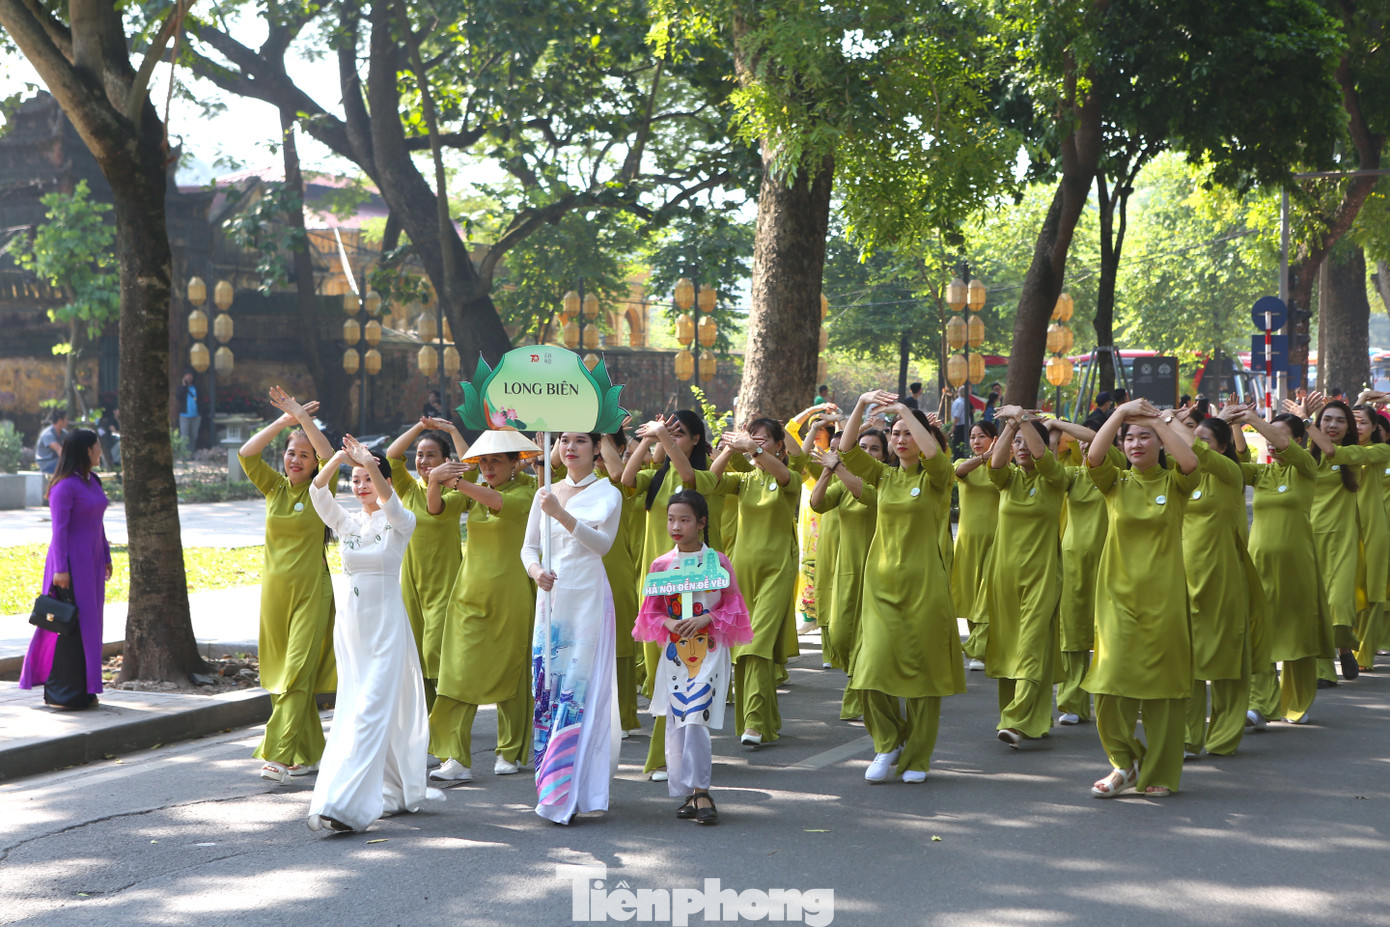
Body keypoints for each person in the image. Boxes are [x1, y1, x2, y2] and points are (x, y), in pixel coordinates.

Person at [306, 436, 443, 833]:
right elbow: (318, 492)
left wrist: (371, 464)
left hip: (386, 630)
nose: (361, 485)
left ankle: (347, 806)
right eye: (356, 479)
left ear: (384, 482)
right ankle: (394, 791)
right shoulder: (348, 524)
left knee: (370, 713)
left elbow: (394, 506)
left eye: (369, 478)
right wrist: (337, 458)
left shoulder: (401, 523)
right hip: (352, 632)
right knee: (356, 711)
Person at [840, 390, 964, 784]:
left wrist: (907, 414)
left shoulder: (937, 479)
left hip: (925, 588)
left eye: (907, 433)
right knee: (869, 671)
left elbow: (935, 457)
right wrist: (861, 405)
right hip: (880, 588)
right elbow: (845, 451)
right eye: (895, 433)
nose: (900, 438)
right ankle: (888, 741)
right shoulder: (884, 475)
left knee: (923, 679)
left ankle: (917, 757)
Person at [1084, 398, 1199, 799]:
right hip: (1116, 596)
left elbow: (1189, 462)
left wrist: (1158, 421)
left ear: (1159, 444)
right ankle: (1124, 762)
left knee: (1162, 690)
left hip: (1164, 598)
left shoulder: (1175, 484)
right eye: (1129, 438)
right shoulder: (1115, 481)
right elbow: (1095, 455)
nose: (1135, 444)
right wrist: (1120, 414)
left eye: (1143, 438)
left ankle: (1160, 772)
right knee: (1108, 685)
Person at [634, 490, 753, 825]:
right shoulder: (661, 565)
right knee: (677, 721)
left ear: (701, 523)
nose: (676, 526)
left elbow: (734, 605)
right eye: (671, 519)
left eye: (684, 519)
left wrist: (707, 619)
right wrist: (671, 622)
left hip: (710, 649)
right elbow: (650, 614)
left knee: (696, 715)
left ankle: (702, 789)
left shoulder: (717, 561)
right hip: (676, 654)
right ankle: (688, 791)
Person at [523, 431, 624, 825]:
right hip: (551, 604)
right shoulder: (544, 492)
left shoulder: (607, 493)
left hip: (587, 604)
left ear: (596, 448)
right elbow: (529, 546)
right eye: (564, 439)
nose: (570, 447)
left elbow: (602, 545)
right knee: (547, 691)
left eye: (580, 440)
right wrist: (535, 571)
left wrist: (561, 514)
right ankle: (551, 786)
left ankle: (573, 794)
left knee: (578, 695)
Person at [429, 429, 541, 783]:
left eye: (496, 461)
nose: (488, 467)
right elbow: (436, 510)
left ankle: (510, 750)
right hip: (467, 596)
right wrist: (434, 482)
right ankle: (456, 759)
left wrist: (455, 482)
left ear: (515, 463)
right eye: (484, 462)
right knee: (456, 675)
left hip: (511, 596)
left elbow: (501, 506)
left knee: (511, 673)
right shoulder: (476, 491)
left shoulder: (530, 492)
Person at [239, 388, 338, 782]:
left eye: (304, 455)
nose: (296, 460)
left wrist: (304, 419)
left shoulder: (319, 490)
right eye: (291, 453)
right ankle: (312, 753)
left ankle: (277, 755)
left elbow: (331, 455)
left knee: (296, 672)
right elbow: (247, 453)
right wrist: (284, 422)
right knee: (283, 677)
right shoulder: (274, 488)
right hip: (275, 595)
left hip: (313, 593)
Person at [711, 419, 801, 748]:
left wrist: (754, 448)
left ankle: (754, 722)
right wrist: (727, 450)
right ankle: (768, 720)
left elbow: (782, 474)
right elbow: (710, 481)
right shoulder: (744, 480)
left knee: (757, 645)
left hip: (778, 570)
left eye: (764, 440)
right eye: (753, 437)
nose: (756, 443)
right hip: (743, 571)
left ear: (780, 445)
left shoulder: (789, 479)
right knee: (742, 649)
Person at [984, 408, 1066, 747]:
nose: (1020, 447)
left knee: (1031, 644)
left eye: (1026, 443)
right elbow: (995, 464)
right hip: (1005, 574)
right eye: (1016, 442)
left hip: (1043, 573)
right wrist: (1011, 426)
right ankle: (1031, 717)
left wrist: (1026, 423)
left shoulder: (1055, 478)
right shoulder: (1007, 480)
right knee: (1010, 647)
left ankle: (1016, 719)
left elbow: (1042, 457)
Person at [19, 429, 111, 710]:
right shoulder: (64, 487)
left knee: (91, 624)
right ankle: (63, 692)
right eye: (97, 446)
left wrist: (106, 555)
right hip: (69, 565)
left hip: (92, 563)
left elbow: (98, 522)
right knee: (67, 625)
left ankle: (87, 688)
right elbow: (58, 531)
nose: (100, 451)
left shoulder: (92, 481)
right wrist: (60, 569)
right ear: (86, 450)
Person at [384, 417, 470, 709]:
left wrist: (453, 430)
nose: (423, 460)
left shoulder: (457, 492)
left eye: (431, 454)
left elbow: (435, 508)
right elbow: (392, 455)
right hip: (410, 580)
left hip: (445, 579)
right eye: (420, 455)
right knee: (416, 649)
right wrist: (419, 428)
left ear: (446, 460)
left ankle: (449, 711)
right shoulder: (408, 489)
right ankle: (426, 716)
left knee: (437, 649)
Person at [809, 430, 885, 720]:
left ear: (883, 456)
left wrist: (839, 466)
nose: (865, 452)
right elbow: (817, 503)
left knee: (870, 637)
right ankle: (863, 684)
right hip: (847, 570)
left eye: (873, 449)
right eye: (861, 447)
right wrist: (828, 471)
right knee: (840, 637)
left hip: (879, 570)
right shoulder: (841, 484)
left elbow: (864, 494)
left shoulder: (885, 481)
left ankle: (860, 695)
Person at [953, 421, 1000, 671]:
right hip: (968, 541)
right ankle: (979, 646)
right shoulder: (966, 466)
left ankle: (979, 648)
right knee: (971, 596)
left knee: (986, 595)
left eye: (982, 436)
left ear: (994, 438)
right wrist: (984, 457)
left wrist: (995, 458)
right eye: (973, 437)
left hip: (996, 540)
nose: (976, 440)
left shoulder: (1003, 468)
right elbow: (958, 472)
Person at [36, 409, 66, 480]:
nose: (67, 422)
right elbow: (60, 451)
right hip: (46, 463)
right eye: (66, 419)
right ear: (60, 421)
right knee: (70, 467)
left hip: (57, 461)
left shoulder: (64, 433)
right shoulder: (48, 434)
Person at [176, 370, 200, 454]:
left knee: (194, 436)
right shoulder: (181, 388)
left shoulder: (196, 387)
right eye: (187, 375)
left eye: (191, 375)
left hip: (196, 416)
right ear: (184, 377)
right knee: (184, 436)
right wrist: (184, 386)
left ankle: (191, 453)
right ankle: (184, 455)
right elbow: (178, 396)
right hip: (184, 416)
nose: (189, 377)